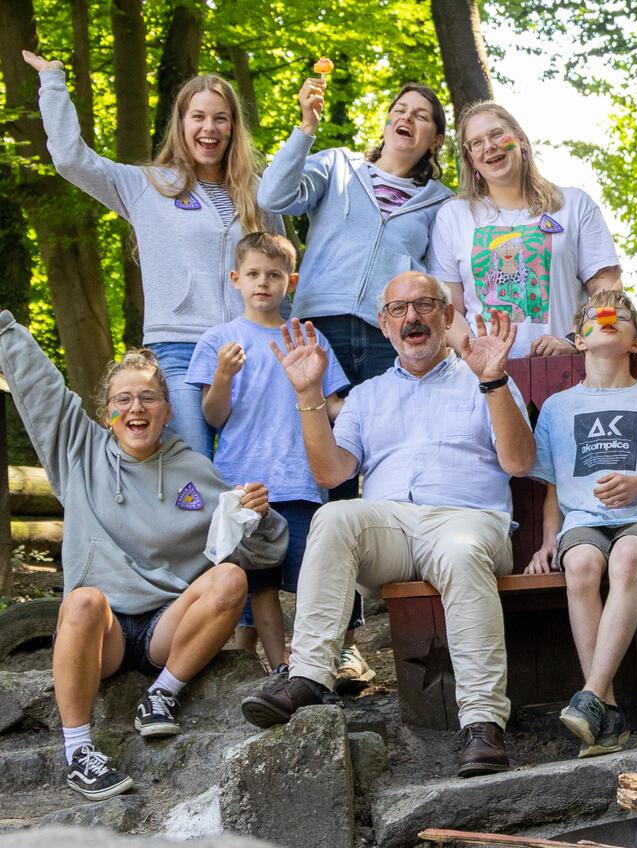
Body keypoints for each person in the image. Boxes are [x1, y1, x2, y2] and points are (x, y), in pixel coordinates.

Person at [240, 273, 535, 778]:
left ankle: (483, 725)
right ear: (384, 324)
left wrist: (492, 381)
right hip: (391, 526)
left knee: (463, 552)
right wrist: (309, 393)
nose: (411, 318)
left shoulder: (484, 378)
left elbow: (519, 462)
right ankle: (310, 675)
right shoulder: (365, 396)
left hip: (469, 521)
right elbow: (332, 473)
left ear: (446, 317)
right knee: (334, 514)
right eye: (398, 310)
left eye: (424, 306)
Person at [0, 312, 286, 800]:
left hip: (166, 632)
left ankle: (160, 697)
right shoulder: (78, 451)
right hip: (103, 635)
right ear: (107, 411)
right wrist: (5, 327)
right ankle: (79, 752)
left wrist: (257, 515)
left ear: (167, 411)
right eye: (123, 399)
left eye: (148, 397)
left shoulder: (194, 470)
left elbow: (256, 550)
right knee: (83, 600)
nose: (136, 407)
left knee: (230, 580)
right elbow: (39, 384)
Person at [258, 76, 452, 684]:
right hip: (318, 331)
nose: (407, 119)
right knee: (325, 468)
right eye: (399, 109)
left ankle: (399, 621)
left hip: (388, 333)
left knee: (384, 467)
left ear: (434, 138)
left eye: (421, 115)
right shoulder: (337, 165)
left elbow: (444, 277)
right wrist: (305, 129)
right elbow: (275, 193)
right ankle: (336, 640)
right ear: (385, 121)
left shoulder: (441, 202)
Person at [22, 50, 279, 457]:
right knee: (193, 469)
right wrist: (53, 83)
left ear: (233, 127)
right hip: (178, 349)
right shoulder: (148, 186)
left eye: (220, 118)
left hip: (248, 350)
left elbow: (278, 269)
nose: (208, 128)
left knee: (249, 477)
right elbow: (72, 159)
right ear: (180, 125)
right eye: (198, 117)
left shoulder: (260, 195)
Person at [525, 289, 637, 755]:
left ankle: (590, 699)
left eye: (621, 317)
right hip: (583, 520)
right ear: (579, 340)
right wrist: (549, 541)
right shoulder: (558, 408)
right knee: (581, 565)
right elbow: (551, 490)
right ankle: (606, 710)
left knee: (625, 559)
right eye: (597, 316)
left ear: (636, 342)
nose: (609, 319)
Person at [187, 233, 350, 672]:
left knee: (313, 579)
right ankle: (280, 668)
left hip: (303, 479)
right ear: (235, 279)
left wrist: (373, 407)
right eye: (254, 274)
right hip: (243, 484)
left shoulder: (307, 338)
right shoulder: (218, 341)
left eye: (274, 275)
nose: (264, 283)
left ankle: (315, 665)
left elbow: (334, 405)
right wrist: (222, 377)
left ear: (290, 282)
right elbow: (214, 416)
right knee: (260, 583)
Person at [428, 102, 622, 359]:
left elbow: (608, 289)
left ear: (520, 139)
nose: (489, 146)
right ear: (471, 159)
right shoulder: (453, 216)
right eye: (476, 143)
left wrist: (575, 340)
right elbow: (448, 309)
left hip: (567, 369)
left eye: (497, 134)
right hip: (484, 379)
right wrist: (475, 351)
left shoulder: (573, 205)